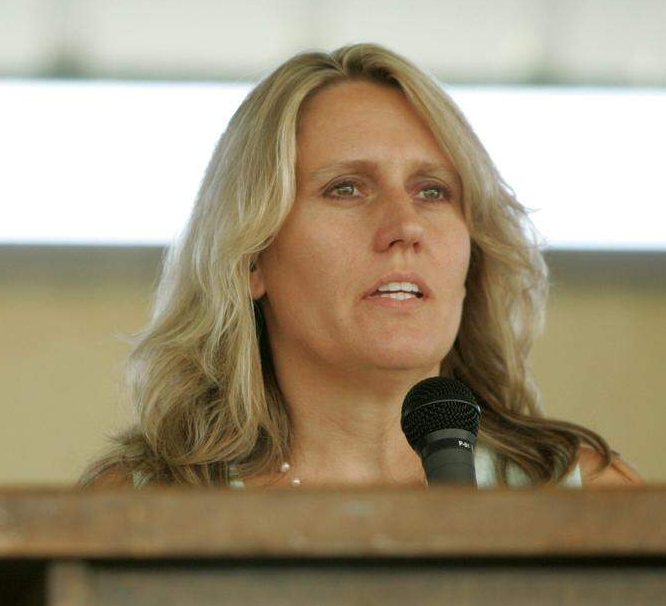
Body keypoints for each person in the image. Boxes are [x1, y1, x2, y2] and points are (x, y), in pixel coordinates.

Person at [85, 44, 640, 490]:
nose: (405, 226)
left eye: (433, 191)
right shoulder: (142, 510)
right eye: (347, 188)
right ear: (251, 257)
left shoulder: (587, 495)